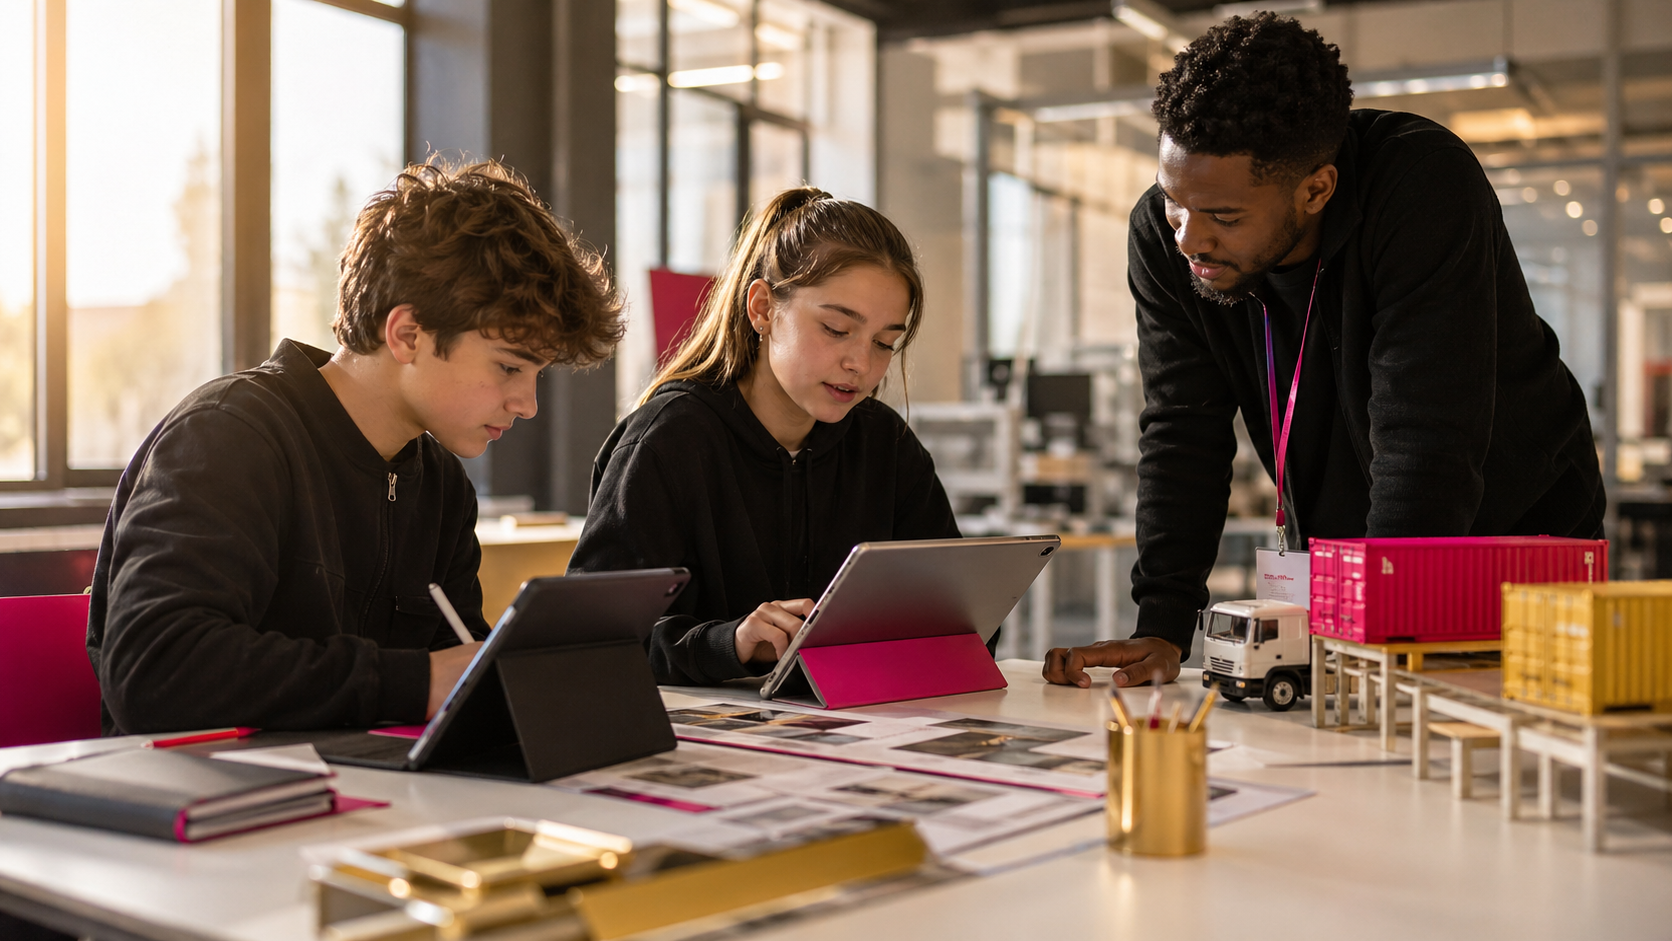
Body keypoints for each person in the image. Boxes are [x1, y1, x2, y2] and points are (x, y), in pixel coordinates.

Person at [1044, 13, 1603, 689]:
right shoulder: (1167, 240)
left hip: (1515, 540)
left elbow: (1426, 439)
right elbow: (1182, 430)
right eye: (1174, 201)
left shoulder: (1420, 184)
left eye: (1224, 217)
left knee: (1492, 737)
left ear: (1316, 190)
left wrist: (1373, 628)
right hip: (1352, 558)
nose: (1189, 237)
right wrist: (1161, 622)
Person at [87, 160, 623, 734]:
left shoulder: (441, 486)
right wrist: (418, 682)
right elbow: (155, 669)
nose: (527, 404)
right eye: (509, 367)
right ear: (407, 335)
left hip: (362, 780)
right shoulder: (228, 436)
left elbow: (455, 667)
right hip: (200, 783)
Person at [567, 187, 962, 685]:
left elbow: (962, 623)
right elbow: (591, 644)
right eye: (836, 329)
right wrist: (726, 644)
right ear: (762, 309)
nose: (861, 363)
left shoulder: (887, 445)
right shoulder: (667, 442)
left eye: (885, 343)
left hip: (856, 722)